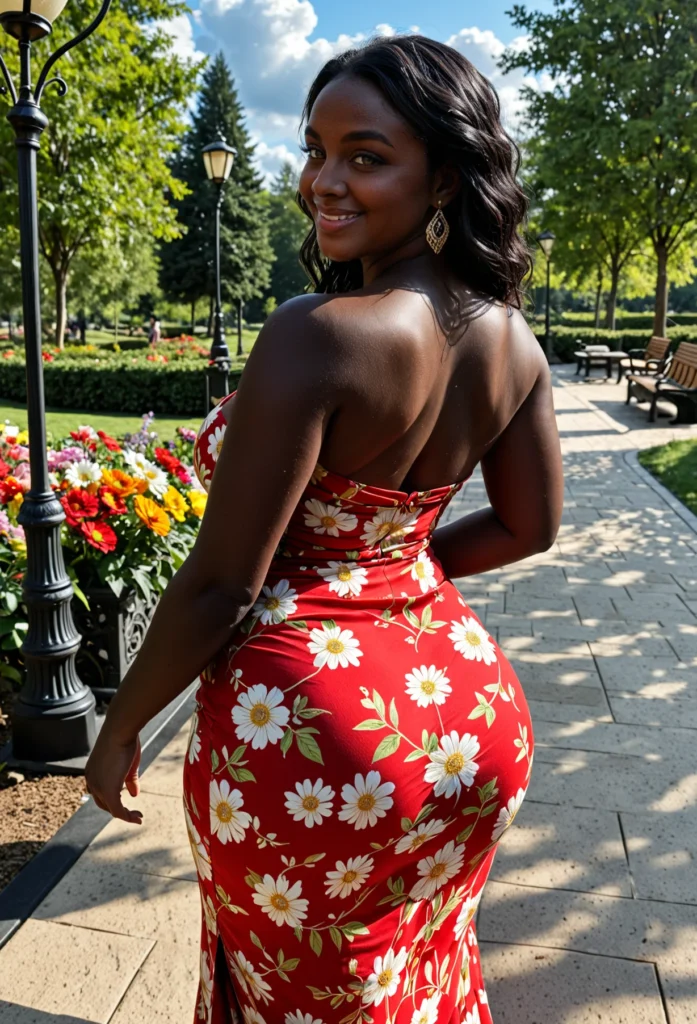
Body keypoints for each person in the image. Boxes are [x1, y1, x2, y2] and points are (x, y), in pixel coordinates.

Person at [86, 34, 563, 1024]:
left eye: (364, 156)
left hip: (319, 738)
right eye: (315, 150)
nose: (321, 182)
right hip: (471, 716)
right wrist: (387, 569)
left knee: (298, 999)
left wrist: (120, 725)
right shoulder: (511, 337)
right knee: (419, 970)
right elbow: (530, 526)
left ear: (443, 177)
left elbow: (221, 584)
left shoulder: (318, 333)